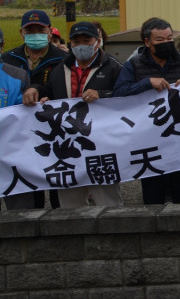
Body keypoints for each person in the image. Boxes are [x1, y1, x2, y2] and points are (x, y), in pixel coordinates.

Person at [23, 22, 123, 208]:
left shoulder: (113, 67)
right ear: (70, 43)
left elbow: (126, 95)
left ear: (98, 41)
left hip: (101, 145)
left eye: (87, 40)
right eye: (76, 41)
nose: (81, 45)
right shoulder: (60, 68)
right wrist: (37, 90)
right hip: (66, 146)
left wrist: (102, 95)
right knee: (70, 204)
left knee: (108, 202)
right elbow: (49, 91)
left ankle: (111, 237)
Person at [113, 18, 180, 205]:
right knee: (153, 196)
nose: (166, 43)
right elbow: (119, 93)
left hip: (179, 139)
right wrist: (147, 83)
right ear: (147, 42)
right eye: (159, 40)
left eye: (169, 38)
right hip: (149, 141)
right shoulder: (134, 64)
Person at [2, 10, 67, 209]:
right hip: (19, 134)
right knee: (27, 184)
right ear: (22, 32)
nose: (35, 34)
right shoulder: (9, 59)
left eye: (41, 29)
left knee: (58, 178)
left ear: (49, 31)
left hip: (54, 128)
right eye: (31, 30)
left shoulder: (63, 58)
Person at [1, 42, 32, 210]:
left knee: (20, 211)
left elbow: (27, 114)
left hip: (12, 155)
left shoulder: (18, 75)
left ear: (1, 46)